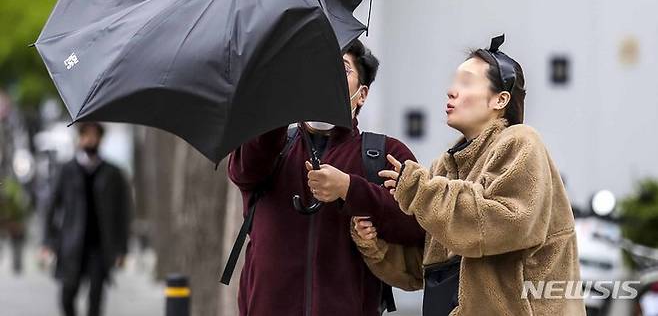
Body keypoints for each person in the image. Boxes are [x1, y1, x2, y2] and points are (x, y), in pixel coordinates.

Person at [352, 35, 585, 316]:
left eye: (466, 83)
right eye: (454, 83)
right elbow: (424, 268)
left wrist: (418, 190)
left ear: (500, 99)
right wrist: (375, 245)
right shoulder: (443, 168)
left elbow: (502, 223)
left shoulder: (521, 142)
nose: (451, 91)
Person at [228, 39, 424, 316]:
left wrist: (349, 189)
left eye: (342, 70)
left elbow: (419, 223)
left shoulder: (384, 154)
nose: (327, 76)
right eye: (318, 68)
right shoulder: (273, 146)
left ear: (362, 94)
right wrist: (278, 109)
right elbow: (243, 172)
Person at [42, 122, 131, 316]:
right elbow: (50, 207)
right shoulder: (66, 170)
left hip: (100, 246)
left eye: (94, 136)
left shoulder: (113, 173)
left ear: (100, 139)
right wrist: (48, 241)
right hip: (71, 244)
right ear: (79, 138)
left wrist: (122, 249)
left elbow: (123, 214)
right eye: (86, 136)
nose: (90, 140)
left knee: (96, 299)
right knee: (67, 296)